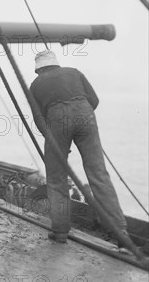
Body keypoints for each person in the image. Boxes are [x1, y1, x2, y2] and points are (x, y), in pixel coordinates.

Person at [30, 50, 128, 244]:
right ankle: (121, 233)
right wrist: (82, 117)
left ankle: (60, 231)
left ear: (38, 70)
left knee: (56, 177)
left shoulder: (35, 85)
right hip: (86, 115)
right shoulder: (74, 72)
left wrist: (53, 140)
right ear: (56, 64)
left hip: (57, 121)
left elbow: (39, 119)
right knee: (98, 173)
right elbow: (95, 100)